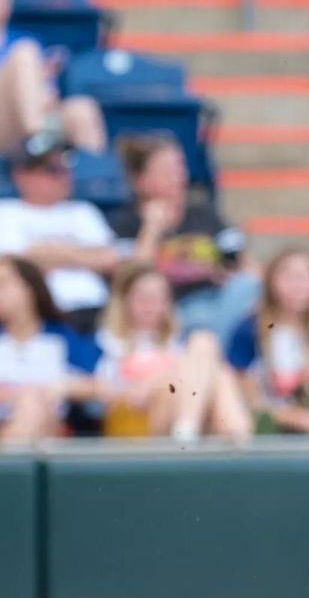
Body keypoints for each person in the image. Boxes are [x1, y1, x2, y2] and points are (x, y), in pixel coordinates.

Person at [109, 132, 257, 345]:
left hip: (220, 301)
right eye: (166, 171)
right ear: (141, 181)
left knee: (249, 287)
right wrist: (151, 229)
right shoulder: (126, 222)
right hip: (171, 310)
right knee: (200, 320)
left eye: (180, 168)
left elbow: (246, 265)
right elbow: (131, 279)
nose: (178, 177)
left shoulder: (204, 213)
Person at [94, 262, 252, 444]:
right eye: (144, 297)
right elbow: (102, 390)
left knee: (205, 346)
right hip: (136, 418)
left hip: (178, 410)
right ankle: (237, 441)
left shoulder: (175, 343)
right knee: (205, 366)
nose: (152, 305)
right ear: (125, 299)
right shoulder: (106, 342)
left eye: (159, 298)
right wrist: (155, 381)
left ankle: (197, 431)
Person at [226, 249, 309, 435]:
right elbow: (248, 396)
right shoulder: (250, 328)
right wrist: (305, 420)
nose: (298, 284)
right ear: (271, 282)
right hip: (276, 426)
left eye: (306, 276)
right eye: (289, 276)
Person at [0, 144, 119, 334]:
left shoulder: (84, 211)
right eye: (52, 170)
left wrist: (50, 252)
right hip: (39, 314)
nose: (64, 176)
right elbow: (14, 263)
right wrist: (81, 255)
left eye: (65, 169)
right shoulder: (6, 211)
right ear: (22, 176)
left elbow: (109, 259)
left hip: (94, 310)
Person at [0, 254, 101, 443]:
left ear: (29, 288)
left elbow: (97, 383)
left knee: (32, 405)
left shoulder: (61, 337)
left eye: (3, 283)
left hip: (49, 426)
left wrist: (59, 388)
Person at [0, 0, 108, 155]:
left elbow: (48, 92)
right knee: (25, 53)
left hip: (35, 113)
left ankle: (95, 175)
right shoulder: (25, 49)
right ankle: (37, 141)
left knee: (82, 109)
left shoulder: (27, 39)